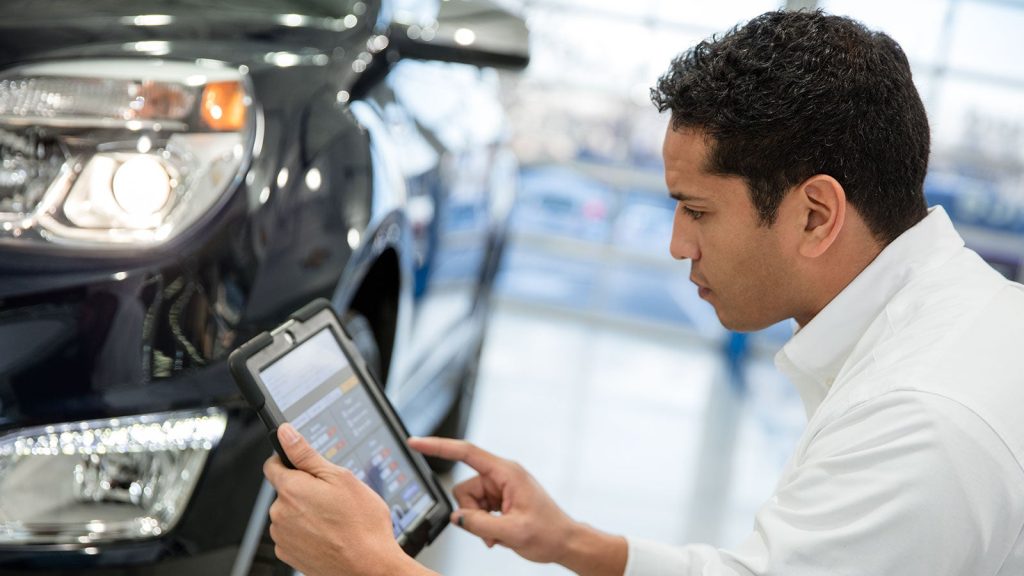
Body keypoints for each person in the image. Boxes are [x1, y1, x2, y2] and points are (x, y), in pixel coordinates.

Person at [262, 9, 1024, 576]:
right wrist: (575, 545)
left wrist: (371, 565)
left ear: (815, 214)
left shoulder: (920, 426)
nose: (676, 245)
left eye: (696, 211)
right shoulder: (954, 319)